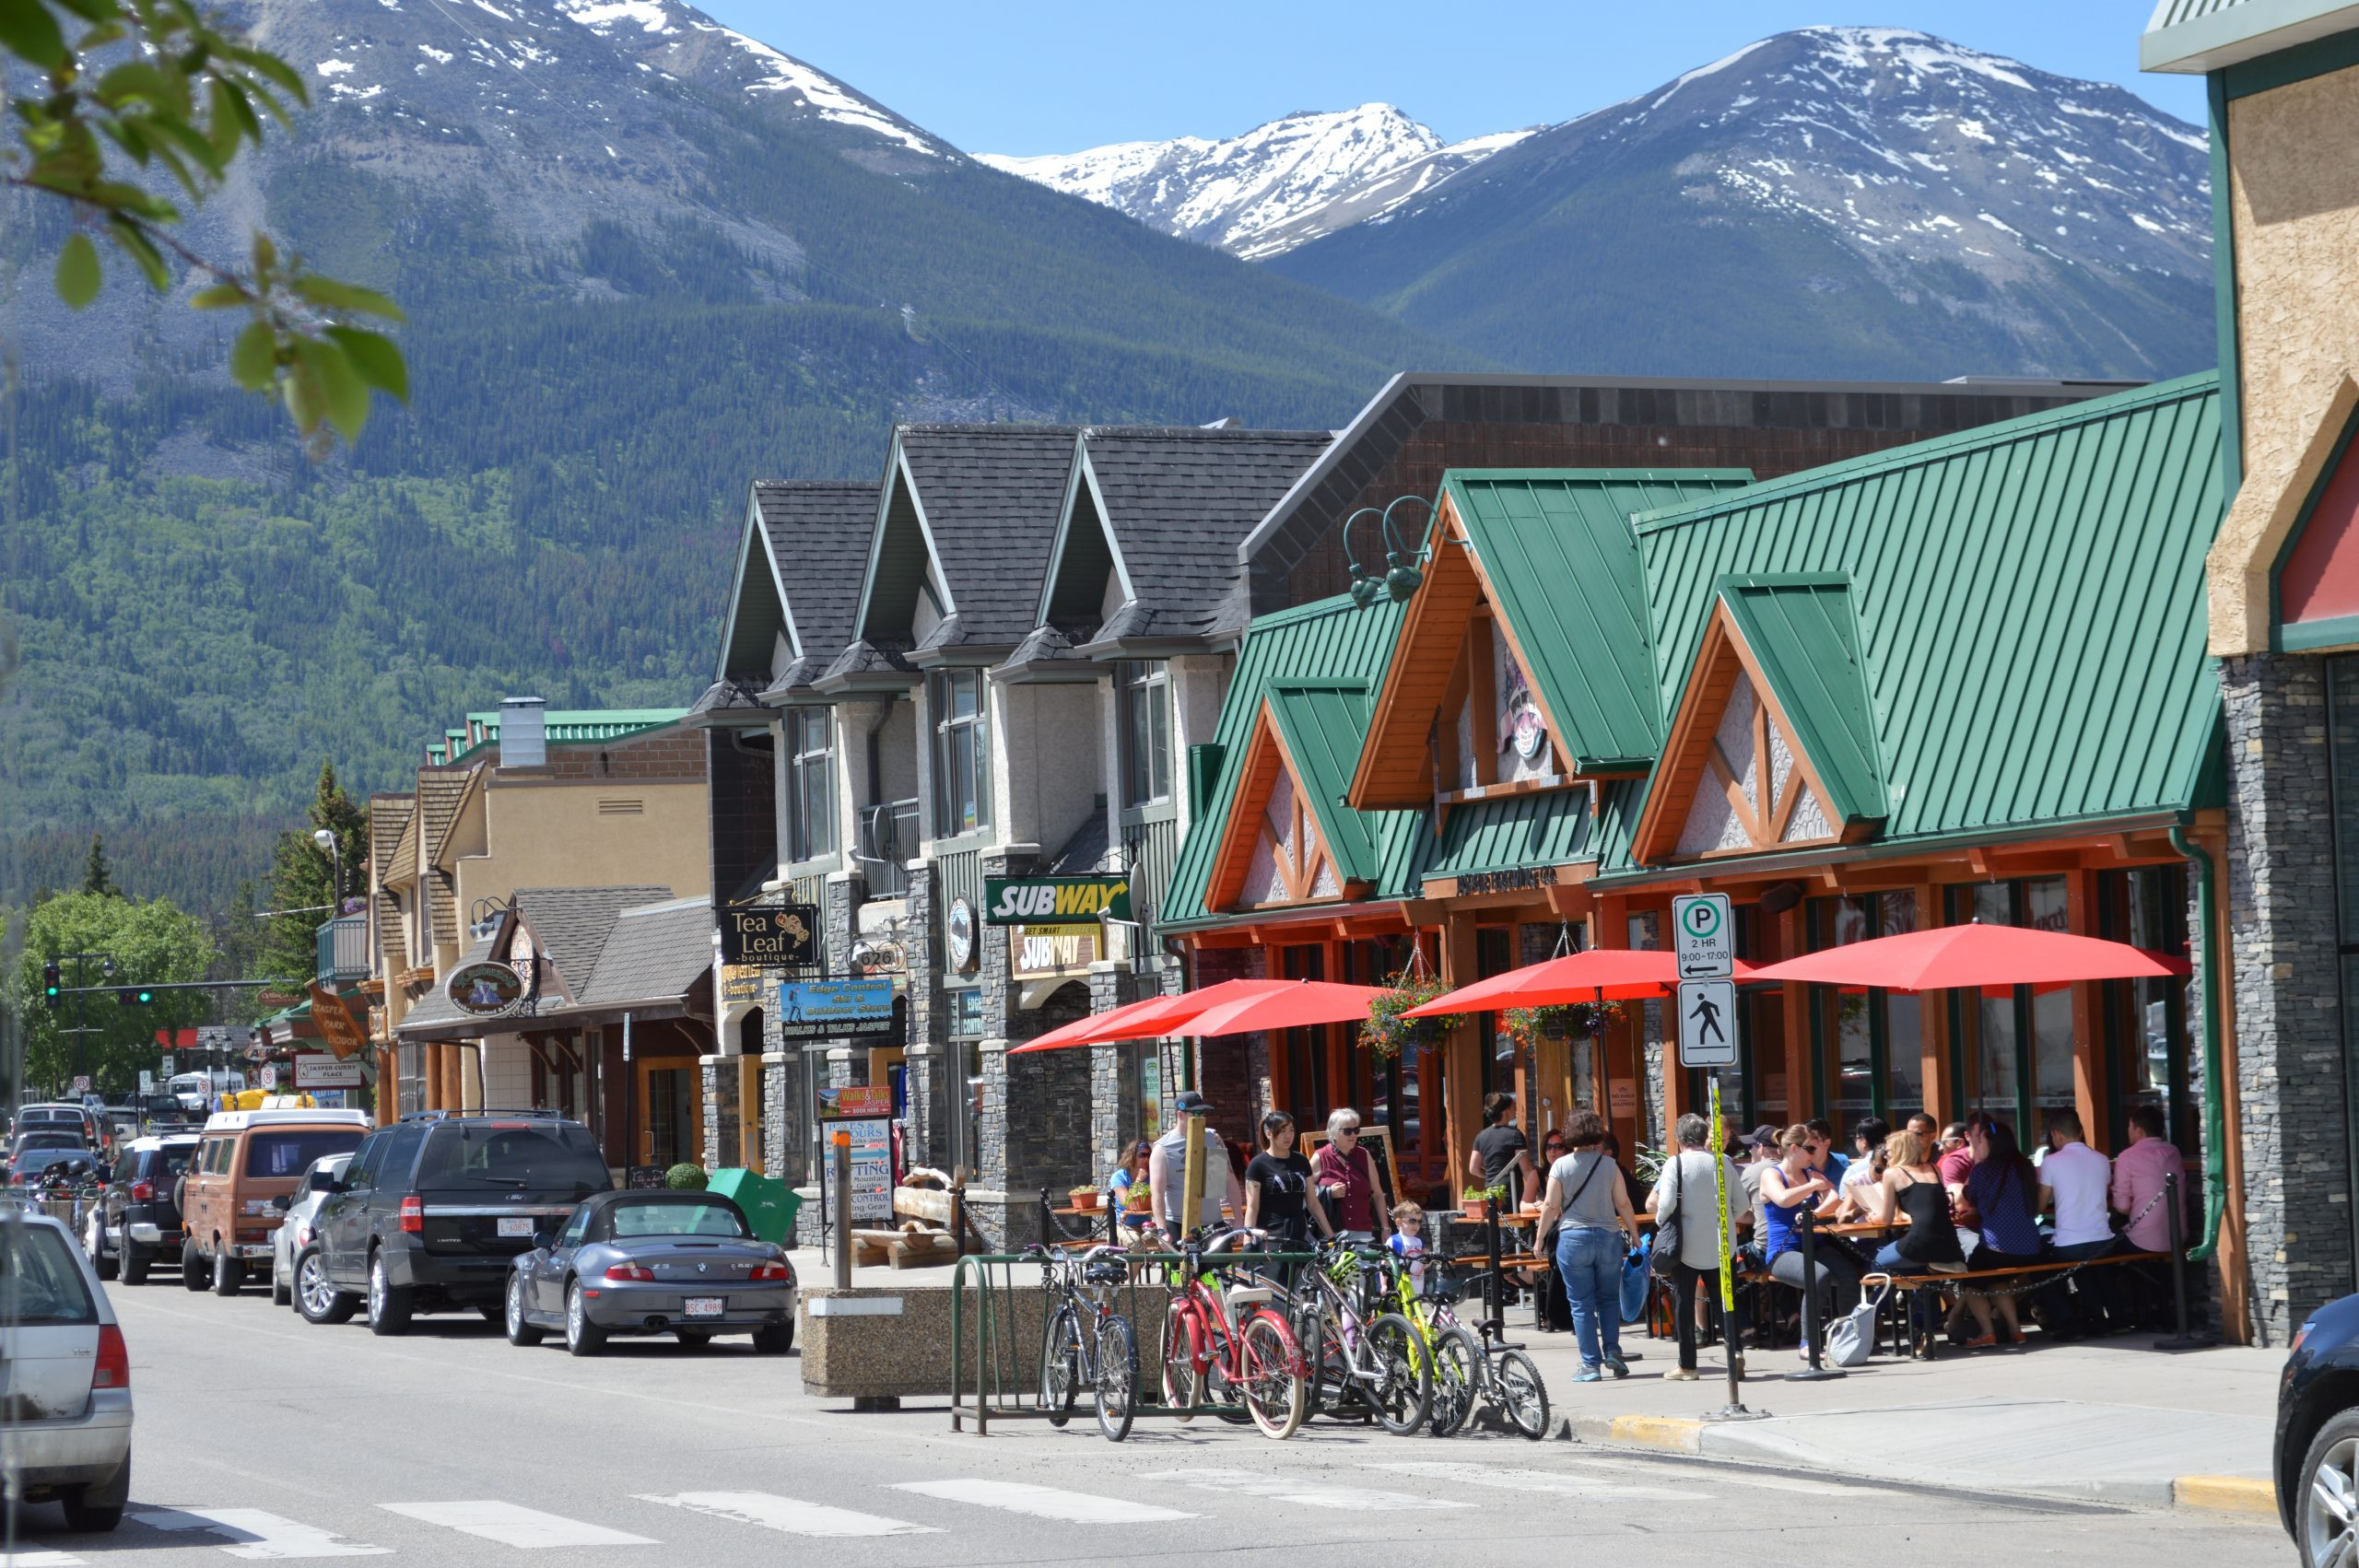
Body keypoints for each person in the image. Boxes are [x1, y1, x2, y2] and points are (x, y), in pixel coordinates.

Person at [1534, 1110, 1638, 1382]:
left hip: (1573, 1238)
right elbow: (1623, 1203)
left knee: (1580, 1303)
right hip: (1608, 1237)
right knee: (1608, 1299)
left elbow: (1550, 1205)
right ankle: (1613, 1352)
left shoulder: (1561, 1166)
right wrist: (1635, 1235)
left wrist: (1539, 1239)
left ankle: (1590, 1365)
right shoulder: (1609, 1165)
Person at [1647, 1112, 1743, 1381]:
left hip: (1685, 1245)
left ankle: (1688, 1366)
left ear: (1679, 1141)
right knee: (1726, 1301)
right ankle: (1735, 1352)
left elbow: (1664, 1204)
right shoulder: (1724, 1161)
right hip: (1722, 1243)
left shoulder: (1675, 1164)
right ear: (1705, 1137)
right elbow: (1743, 1204)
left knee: (1684, 1304)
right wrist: (1724, 1218)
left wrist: (1660, 1222)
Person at [1761, 1124, 1863, 1359]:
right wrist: (1812, 1187)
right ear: (1794, 1148)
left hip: (1814, 1245)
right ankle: (1808, 1342)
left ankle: (1845, 1336)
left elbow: (1835, 1198)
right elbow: (1783, 1199)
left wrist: (1814, 1214)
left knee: (1848, 1274)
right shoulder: (1772, 1174)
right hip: (1782, 1252)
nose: (1813, 1155)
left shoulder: (1811, 1174)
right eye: (1810, 1149)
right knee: (1817, 1276)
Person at [1864, 1127, 1964, 1355]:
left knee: (1877, 1266)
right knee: (1925, 1278)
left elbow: (1886, 1218)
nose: (1886, 1155)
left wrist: (1871, 1216)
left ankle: (1874, 1323)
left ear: (1899, 1150)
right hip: (1948, 1244)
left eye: (1888, 1151)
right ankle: (1922, 1331)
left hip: (1920, 1242)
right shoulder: (1935, 1169)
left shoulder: (1893, 1174)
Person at [1959, 1118, 2042, 1348]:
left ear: (1992, 1143)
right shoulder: (2025, 1165)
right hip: (2030, 1245)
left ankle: (1987, 1332)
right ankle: (2016, 1331)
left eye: (1980, 1140)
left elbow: (1967, 1199)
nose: (1977, 1144)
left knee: (1971, 1279)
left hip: (1999, 1246)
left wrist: (1976, 1162)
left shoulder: (1983, 1170)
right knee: (1996, 1279)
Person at [2036, 1109, 2119, 1338]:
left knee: (2038, 1267)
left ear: (2056, 1134)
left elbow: (2040, 1207)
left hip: (2070, 1246)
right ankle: (2104, 1317)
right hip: (2104, 1241)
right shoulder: (2102, 1159)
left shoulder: (2051, 1162)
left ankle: (2069, 1321)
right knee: (2088, 1267)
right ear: (2081, 1132)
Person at [2110, 1105, 2185, 1327]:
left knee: (2104, 1256)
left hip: (2143, 1239)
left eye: (2129, 1127)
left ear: (2139, 1131)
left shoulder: (2127, 1157)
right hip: (2177, 1235)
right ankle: (2160, 1309)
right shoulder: (2174, 1151)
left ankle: (2127, 1315)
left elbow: (2122, 1207)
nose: (2128, 1130)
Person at [1148, 1090, 1246, 1241]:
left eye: (1203, 1113)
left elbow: (1227, 1180)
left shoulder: (1212, 1138)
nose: (1201, 1117)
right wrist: (1162, 1229)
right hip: (1177, 1223)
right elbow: (1157, 1192)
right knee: (1182, 1265)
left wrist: (1239, 1220)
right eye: (1196, 1113)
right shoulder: (1163, 1148)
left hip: (1213, 1223)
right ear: (1180, 1115)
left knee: (1221, 1265)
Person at [1242, 1111, 1332, 1250]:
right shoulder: (1258, 1164)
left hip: (1300, 1233)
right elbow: (1252, 1207)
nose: (1288, 1136)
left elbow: (1313, 1203)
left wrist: (1331, 1236)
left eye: (1291, 1130)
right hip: (1271, 1235)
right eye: (1282, 1131)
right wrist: (1247, 1242)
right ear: (1269, 1133)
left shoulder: (1301, 1160)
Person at [1311, 1108, 1391, 1244]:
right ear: (1334, 1133)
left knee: (1363, 1265)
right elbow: (1305, 1192)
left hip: (1362, 1231)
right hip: (1330, 1233)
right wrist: (1329, 1192)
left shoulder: (1364, 1155)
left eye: (1356, 1130)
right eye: (1348, 1131)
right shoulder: (1320, 1157)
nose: (1353, 1135)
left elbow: (1378, 1194)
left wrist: (1385, 1228)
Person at [1531, 1129, 1572, 1332]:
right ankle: (1552, 1312)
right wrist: (1542, 1206)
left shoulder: (1570, 1171)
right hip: (1549, 1230)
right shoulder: (1537, 1175)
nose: (1552, 1151)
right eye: (1548, 1146)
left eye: (1558, 1146)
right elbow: (1523, 1206)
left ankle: (1561, 1313)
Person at [1469, 1092, 1540, 1205]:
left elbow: (1473, 1168)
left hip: (1491, 1193)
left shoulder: (1481, 1136)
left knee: (1493, 1221)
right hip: (1511, 1193)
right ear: (1505, 1110)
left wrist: (1490, 1176)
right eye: (1513, 1106)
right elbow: (1526, 1169)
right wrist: (1537, 1192)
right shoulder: (1515, 1135)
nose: (1516, 1109)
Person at [1835, 1116, 1890, 1219]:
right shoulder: (1897, 1162)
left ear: (1864, 1141)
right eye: (1878, 1170)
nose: (1882, 1175)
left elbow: (1841, 1207)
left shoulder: (1853, 1170)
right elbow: (1842, 1215)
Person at [1107, 1139, 1153, 1231]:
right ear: (1132, 1156)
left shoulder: (1151, 1175)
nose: (1146, 1159)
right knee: (1134, 1241)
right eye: (1142, 1155)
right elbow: (1128, 1203)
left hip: (1146, 1226)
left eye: (1148, 1155)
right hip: (1124, 1226)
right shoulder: (1119, 1176)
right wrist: (1139, 1180)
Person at [1388, 1202, 1427, 1291]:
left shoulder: (1419, 1240)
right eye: (1412, 1221)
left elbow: (1423, 1265)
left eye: (1419, 1221)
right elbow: (1384, 1263)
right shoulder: (1394, 1241)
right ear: (1399, 1222)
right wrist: (1383, 1285)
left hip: (1418, 1285)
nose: (1417, 1225)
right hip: (1400, 1286)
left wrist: (1429, 1260)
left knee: (1416, 1304)